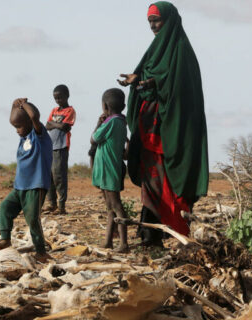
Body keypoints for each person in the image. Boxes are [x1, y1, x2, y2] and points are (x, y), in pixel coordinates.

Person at [118, 2, 209, 247]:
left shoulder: (182, 53)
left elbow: (181, 91)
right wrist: (139, 80)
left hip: (172, 131)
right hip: (150, 129)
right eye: (150, 22)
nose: (153, 26)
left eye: (157, 21)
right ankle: (151, 235)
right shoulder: (154, 51)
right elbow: (151, 79)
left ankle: (175, 233)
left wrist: (154, 85)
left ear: (169, 20)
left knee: (169, 180)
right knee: (151, 181)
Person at [0, 98, 53, 263]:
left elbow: (35, 117)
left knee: (32, 219)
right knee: (5, 207)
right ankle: (5, 238)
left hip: (35, 186)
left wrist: (25, 105)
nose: (17, 130)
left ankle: (41, 251)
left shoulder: (40, 136)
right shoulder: (24, 139)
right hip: (20, 187)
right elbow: (18, 118)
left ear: (29, 122)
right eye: (15, 127)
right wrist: (14, 105)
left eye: (19, 126)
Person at [90, 88, 129, 252]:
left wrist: (99, 123)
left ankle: (124, 243)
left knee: (116, 206)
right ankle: (108, 241)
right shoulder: (120, 122)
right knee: (110, 207)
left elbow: (94, 138)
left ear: (105, 106)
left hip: (108, 169)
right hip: (110, 168)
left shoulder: (111, 122)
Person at [45, 84, 76, 215]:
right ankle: (52, 204)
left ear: (67, 96)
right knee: (49, 177)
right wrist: (56, 125)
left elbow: (65, 127)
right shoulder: (54, 110)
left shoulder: (70, 111)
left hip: (61, 147)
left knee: (59, 177)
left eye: (60, 98)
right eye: (56, 98)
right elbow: (47, 125)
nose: (58, 100)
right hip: (50, 146)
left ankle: (61, 206)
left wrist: (54, 124)